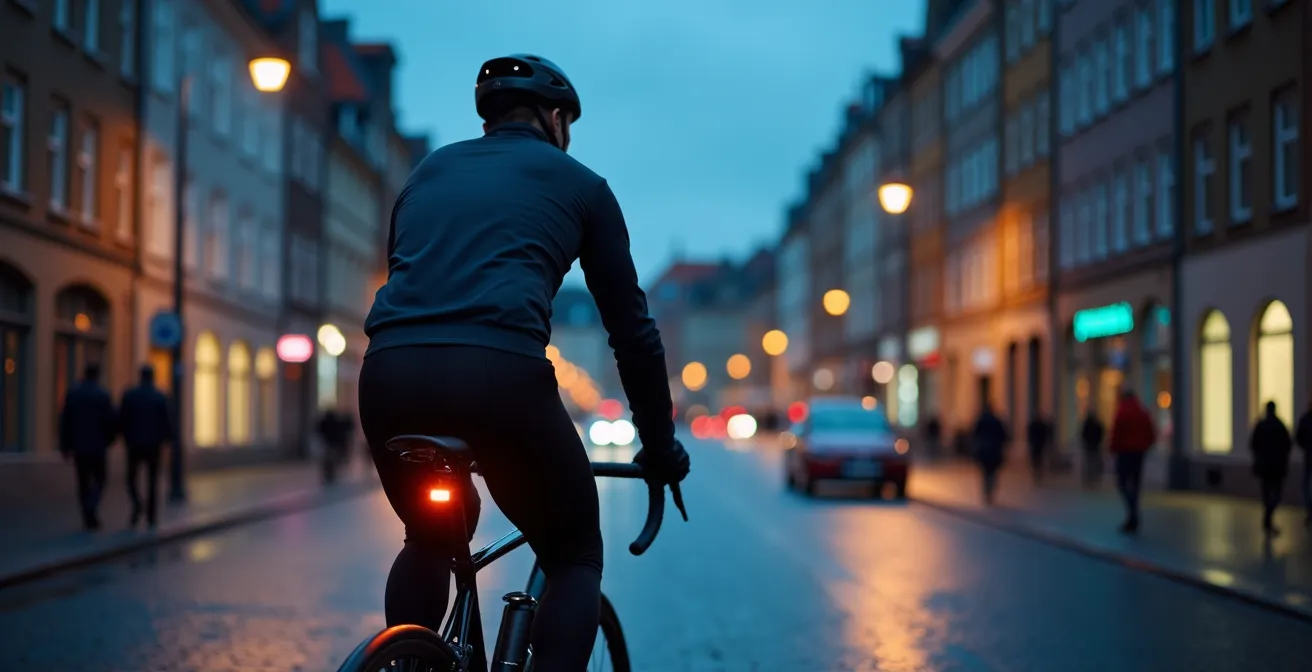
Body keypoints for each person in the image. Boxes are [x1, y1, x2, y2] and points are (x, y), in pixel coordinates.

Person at [357, 54, 691, 672]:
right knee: (573, 556)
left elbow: (404, 266)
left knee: (427, 536)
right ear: (556, 119)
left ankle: (408, 661)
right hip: (498, 374)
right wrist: (660, 445)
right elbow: (633, 333)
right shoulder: (582, 185)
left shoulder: (429, 171)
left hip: (388, 372)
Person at [59, 363, 118, 531]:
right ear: (97, 375)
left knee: (82, 481)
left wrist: (65, 446)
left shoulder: (74, 394)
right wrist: (109, 440)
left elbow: (65, 421)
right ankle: (91, 506)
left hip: (79, 446)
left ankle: (87, 513)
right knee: (101, 479)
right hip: (98, 446)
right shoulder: (103, 395)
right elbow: (110, 421)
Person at [118, 364, 173, 528]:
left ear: (140, 377)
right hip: (153, 446)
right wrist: (166, 440)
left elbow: (122, 419)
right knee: (152, 481)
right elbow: (166, 422)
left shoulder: (130, 395)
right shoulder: (160, 397)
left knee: (130, 479)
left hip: (134, 445)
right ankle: (151, 516)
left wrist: (124, 437)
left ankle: (137, 504)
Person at [1108, 389, 1155, 533]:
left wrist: (1113, 449)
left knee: (1122, 482)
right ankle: (1134, 512)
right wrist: (1145, 446)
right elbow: (1151, 433)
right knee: (1135, 483)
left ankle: (1132, 512)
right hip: (1139, 453)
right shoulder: (1143, 412)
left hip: (1124, 452)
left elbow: (1116, 433)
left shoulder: (1122, 412)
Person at [1250, 401, 1292, 537]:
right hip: (1276, 466)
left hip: (1266, 466)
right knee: (1275, 494)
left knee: (1267, 493)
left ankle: (1267, 518)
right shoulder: (1279, 426)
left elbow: (1253, 445)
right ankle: (1268, 519)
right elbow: (1287, 446)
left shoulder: (1261, 425)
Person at [973, 404, 1008, 505]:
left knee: (985, 473)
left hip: (984, 450)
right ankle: (991, 491)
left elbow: (975, 435)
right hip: (994, 450)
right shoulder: (997, 421)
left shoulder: (981, 421)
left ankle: (987, 491)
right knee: (993, 472)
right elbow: (1003, 435)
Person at [317, 408, 354, 484]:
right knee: (331, 460)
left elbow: (318, 431)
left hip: (328, 444)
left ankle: (329, 474)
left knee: (328, 460)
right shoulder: (336, 423)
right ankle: (330, 474)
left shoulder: (325, 423)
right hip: (333, 445)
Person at [1295, 402, 1312, 526]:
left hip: (1308, 455)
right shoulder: (1305, 420)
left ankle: (1309, 510)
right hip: (1308, 455)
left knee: (1306, 485)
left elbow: (1298, 437)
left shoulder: (1305, 420)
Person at [1080, 410, 1106, 487]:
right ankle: (1093, 476)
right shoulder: (1097, 425)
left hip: (1089, 445)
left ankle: (1089, 477)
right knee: (1094, 461)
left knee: (1089, 461)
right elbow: (1101, 433)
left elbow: (1083, 434)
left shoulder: (1087, 425)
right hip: (1095, 445)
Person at [1026, 412, 1053, 485]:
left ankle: (1037, 471)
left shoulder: (1036, 425)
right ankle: (1038, 472)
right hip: (1039, 445)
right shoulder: (1040, 426)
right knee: (1038, 459)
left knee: (1037, 459)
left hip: (1037, 445)